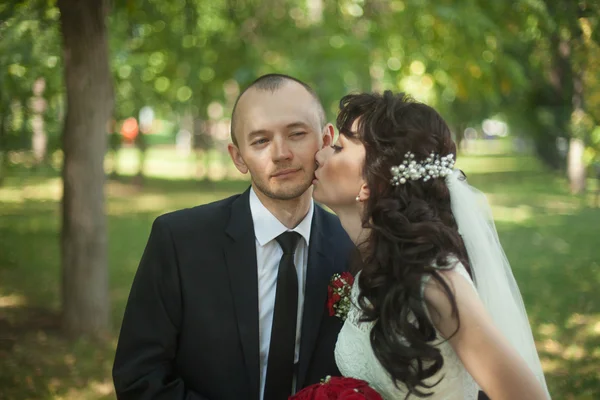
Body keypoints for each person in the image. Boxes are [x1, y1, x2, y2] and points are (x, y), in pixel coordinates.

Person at [112, 74, 354, 400]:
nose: (280, 153)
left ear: (325, 139)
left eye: (296, 134)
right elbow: (139, 375)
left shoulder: (353, 247)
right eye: (260, 141)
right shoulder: (179, 241)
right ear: (238, 157)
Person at [313, 91, 551, 399]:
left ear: (370, 183)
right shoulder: (369, 270)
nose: (319, 155)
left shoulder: (434, 279)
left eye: (338, 147)